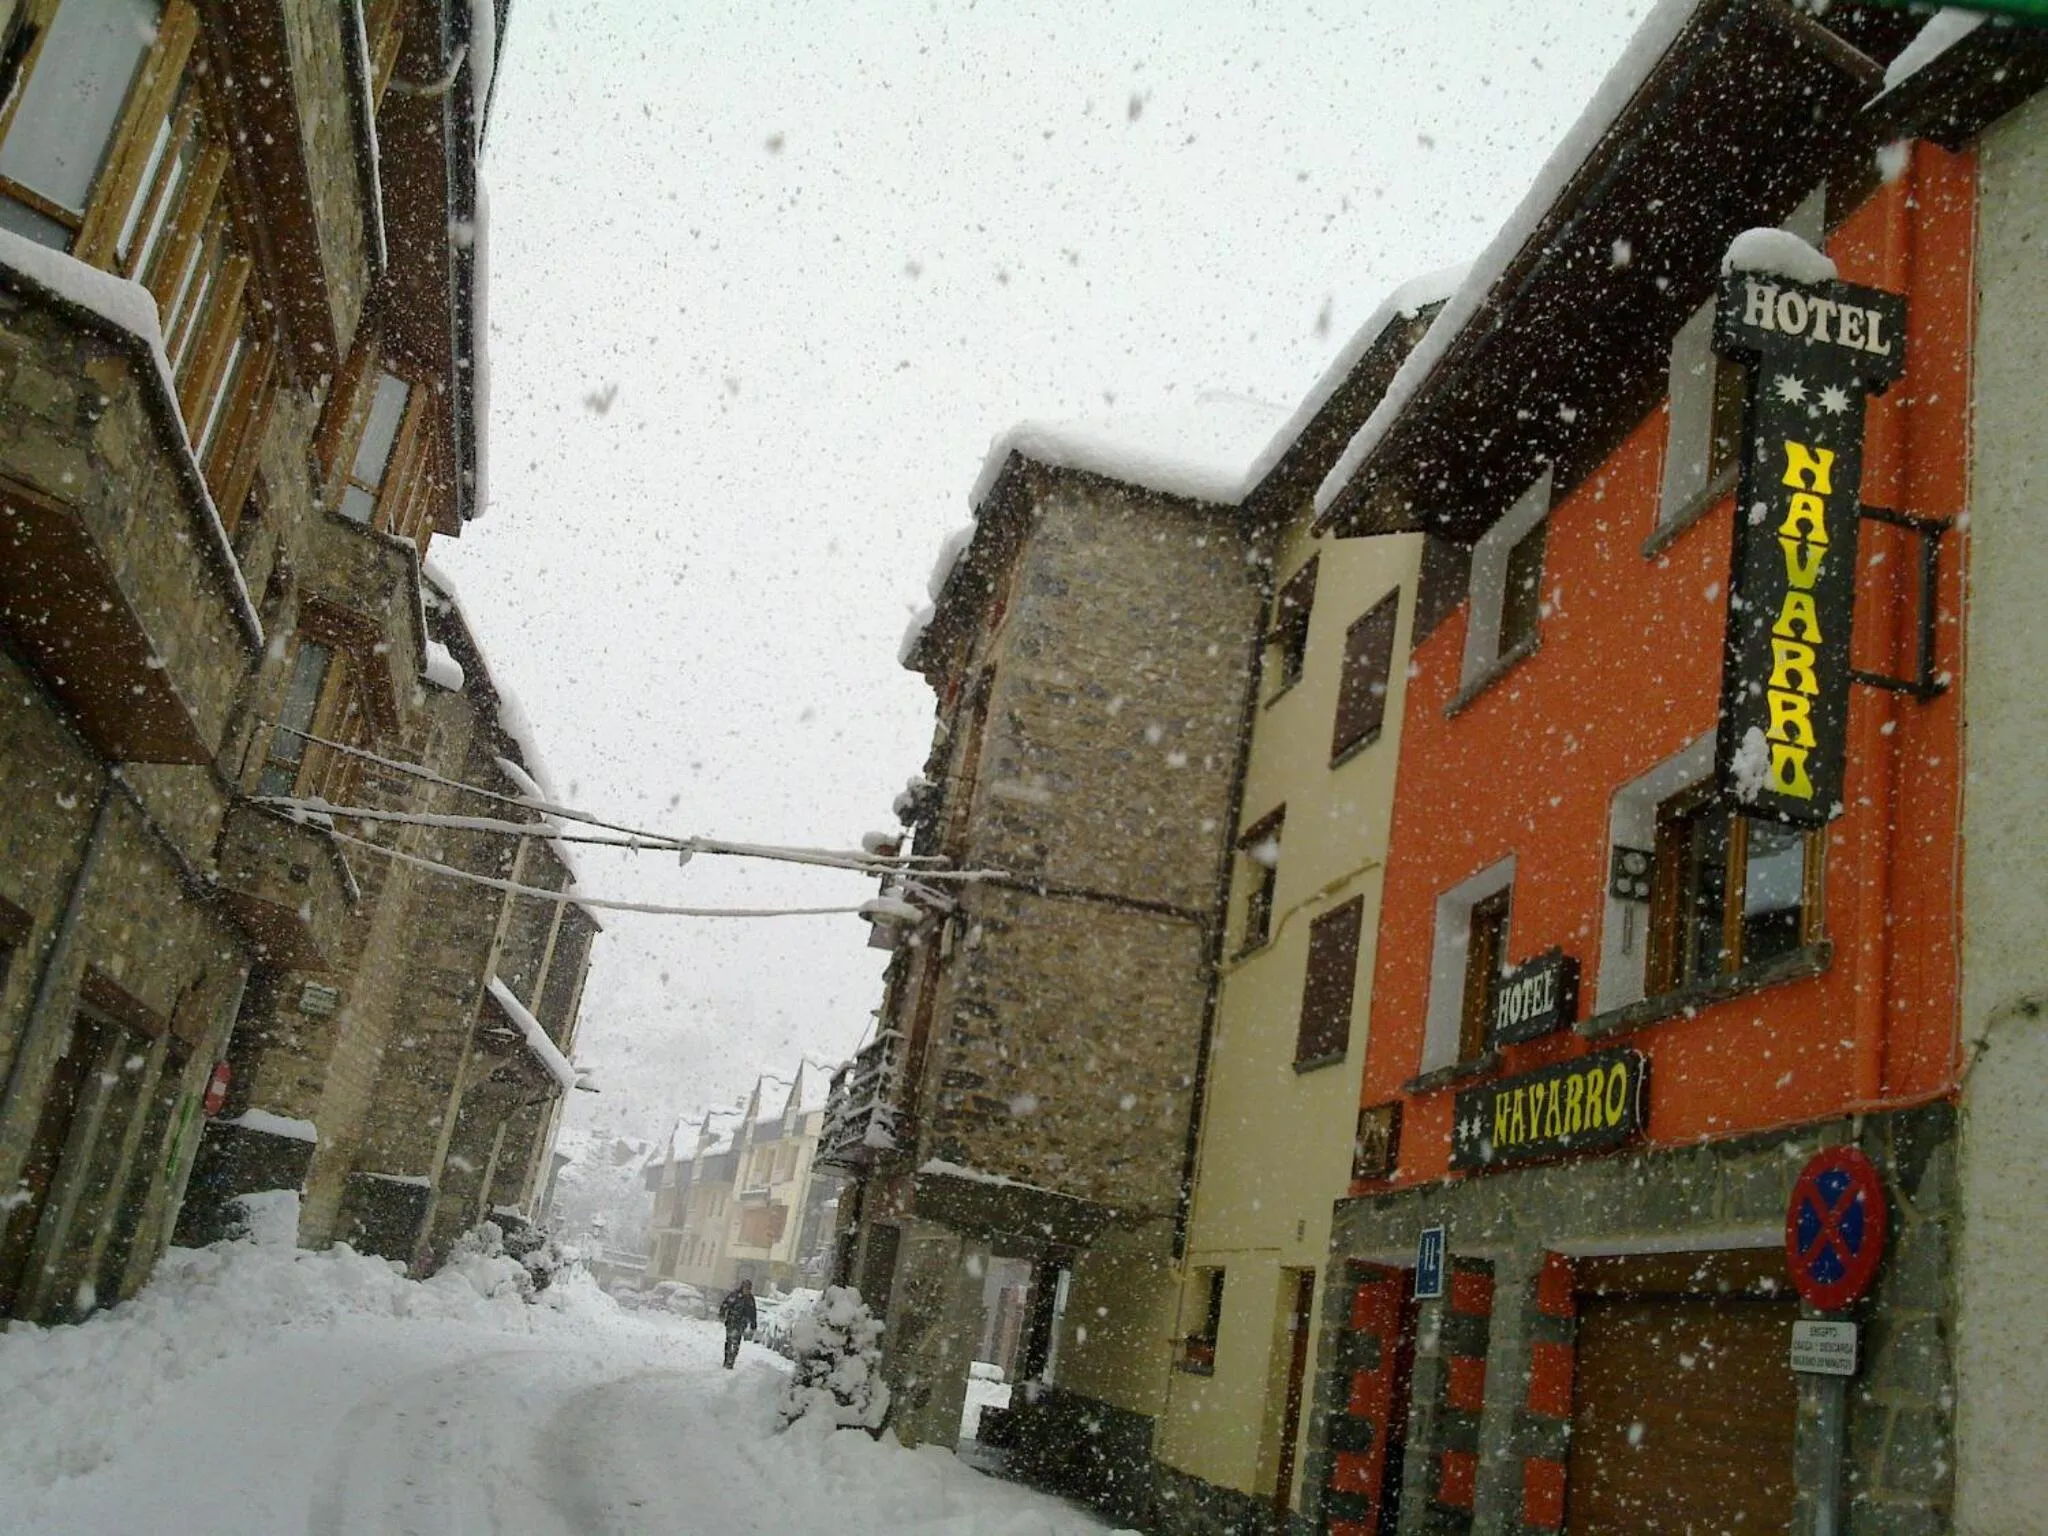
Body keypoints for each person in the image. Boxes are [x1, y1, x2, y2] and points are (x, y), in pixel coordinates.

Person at [719, 1279, 757, 1368]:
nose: (747, 1291)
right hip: (731, 1321)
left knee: (736, 1342)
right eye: (746, 1288)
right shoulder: (735, 1295)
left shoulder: (750, 1299)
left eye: (749, 1289)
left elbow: (753, 1312)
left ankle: (731, 1360)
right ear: (742, 1288)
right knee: (729, 1341)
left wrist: (753, 1324)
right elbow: (725, 1304)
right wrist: (722, 1313)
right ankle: (727, 1358)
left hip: (741, 1324)